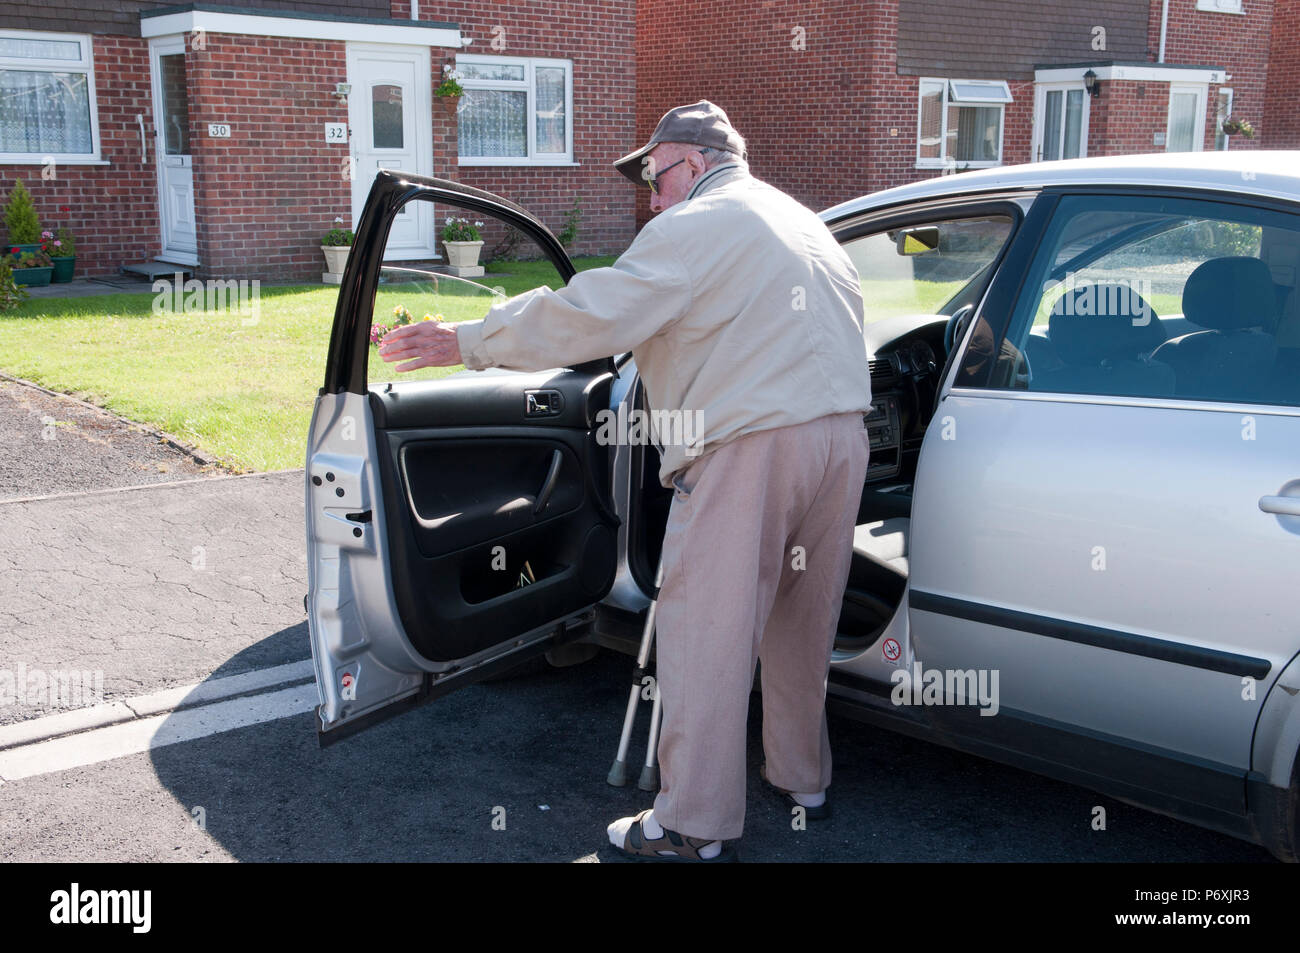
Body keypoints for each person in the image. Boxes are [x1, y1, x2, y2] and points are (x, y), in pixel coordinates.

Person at [378, 101, 872, 862]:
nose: (651, 194)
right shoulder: (800, 219)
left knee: (704, 632)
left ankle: (691, 824)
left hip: (750, 443)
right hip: (842, 438)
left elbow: (593, 314)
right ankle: (802, 778)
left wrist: (468, 340)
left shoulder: (695, 225)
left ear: (697, 162)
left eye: (655, 173)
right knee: (802, 621)